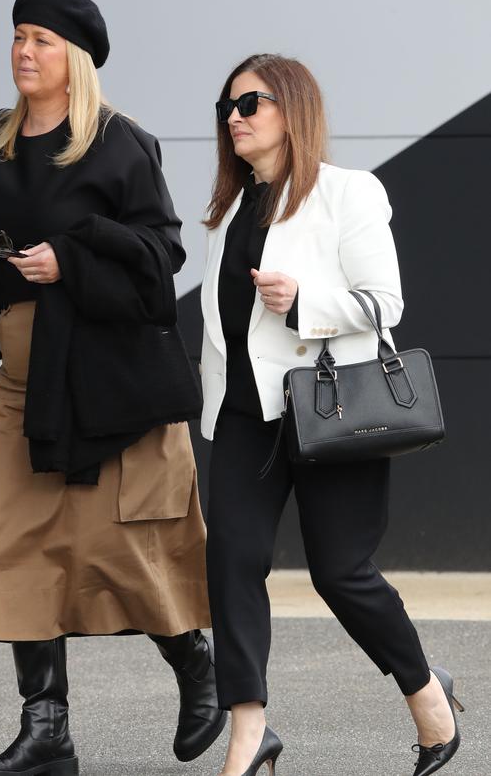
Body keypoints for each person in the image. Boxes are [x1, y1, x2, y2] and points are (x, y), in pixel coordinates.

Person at [0, 0, 226, 776]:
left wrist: (69, 258)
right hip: (22, 373)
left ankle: (197, 669)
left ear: (73, 57)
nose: (23, 51)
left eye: (39, 39)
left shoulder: (116, 141)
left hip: (101, 371)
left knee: (119, 544)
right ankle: (48, 733)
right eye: (17, 37)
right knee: (13, 546)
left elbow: (162, 252)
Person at [199, 53, 464, 776]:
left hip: (329, 408)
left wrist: (304, 303)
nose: (234, 117)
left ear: (292, 107)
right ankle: (250, 733)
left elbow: (386, 302)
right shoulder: (226, 214)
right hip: (247, 415)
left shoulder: (349, 193)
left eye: (250, 103)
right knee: (231, 561)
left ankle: (426, 694)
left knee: (342, 572)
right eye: (226, 107)